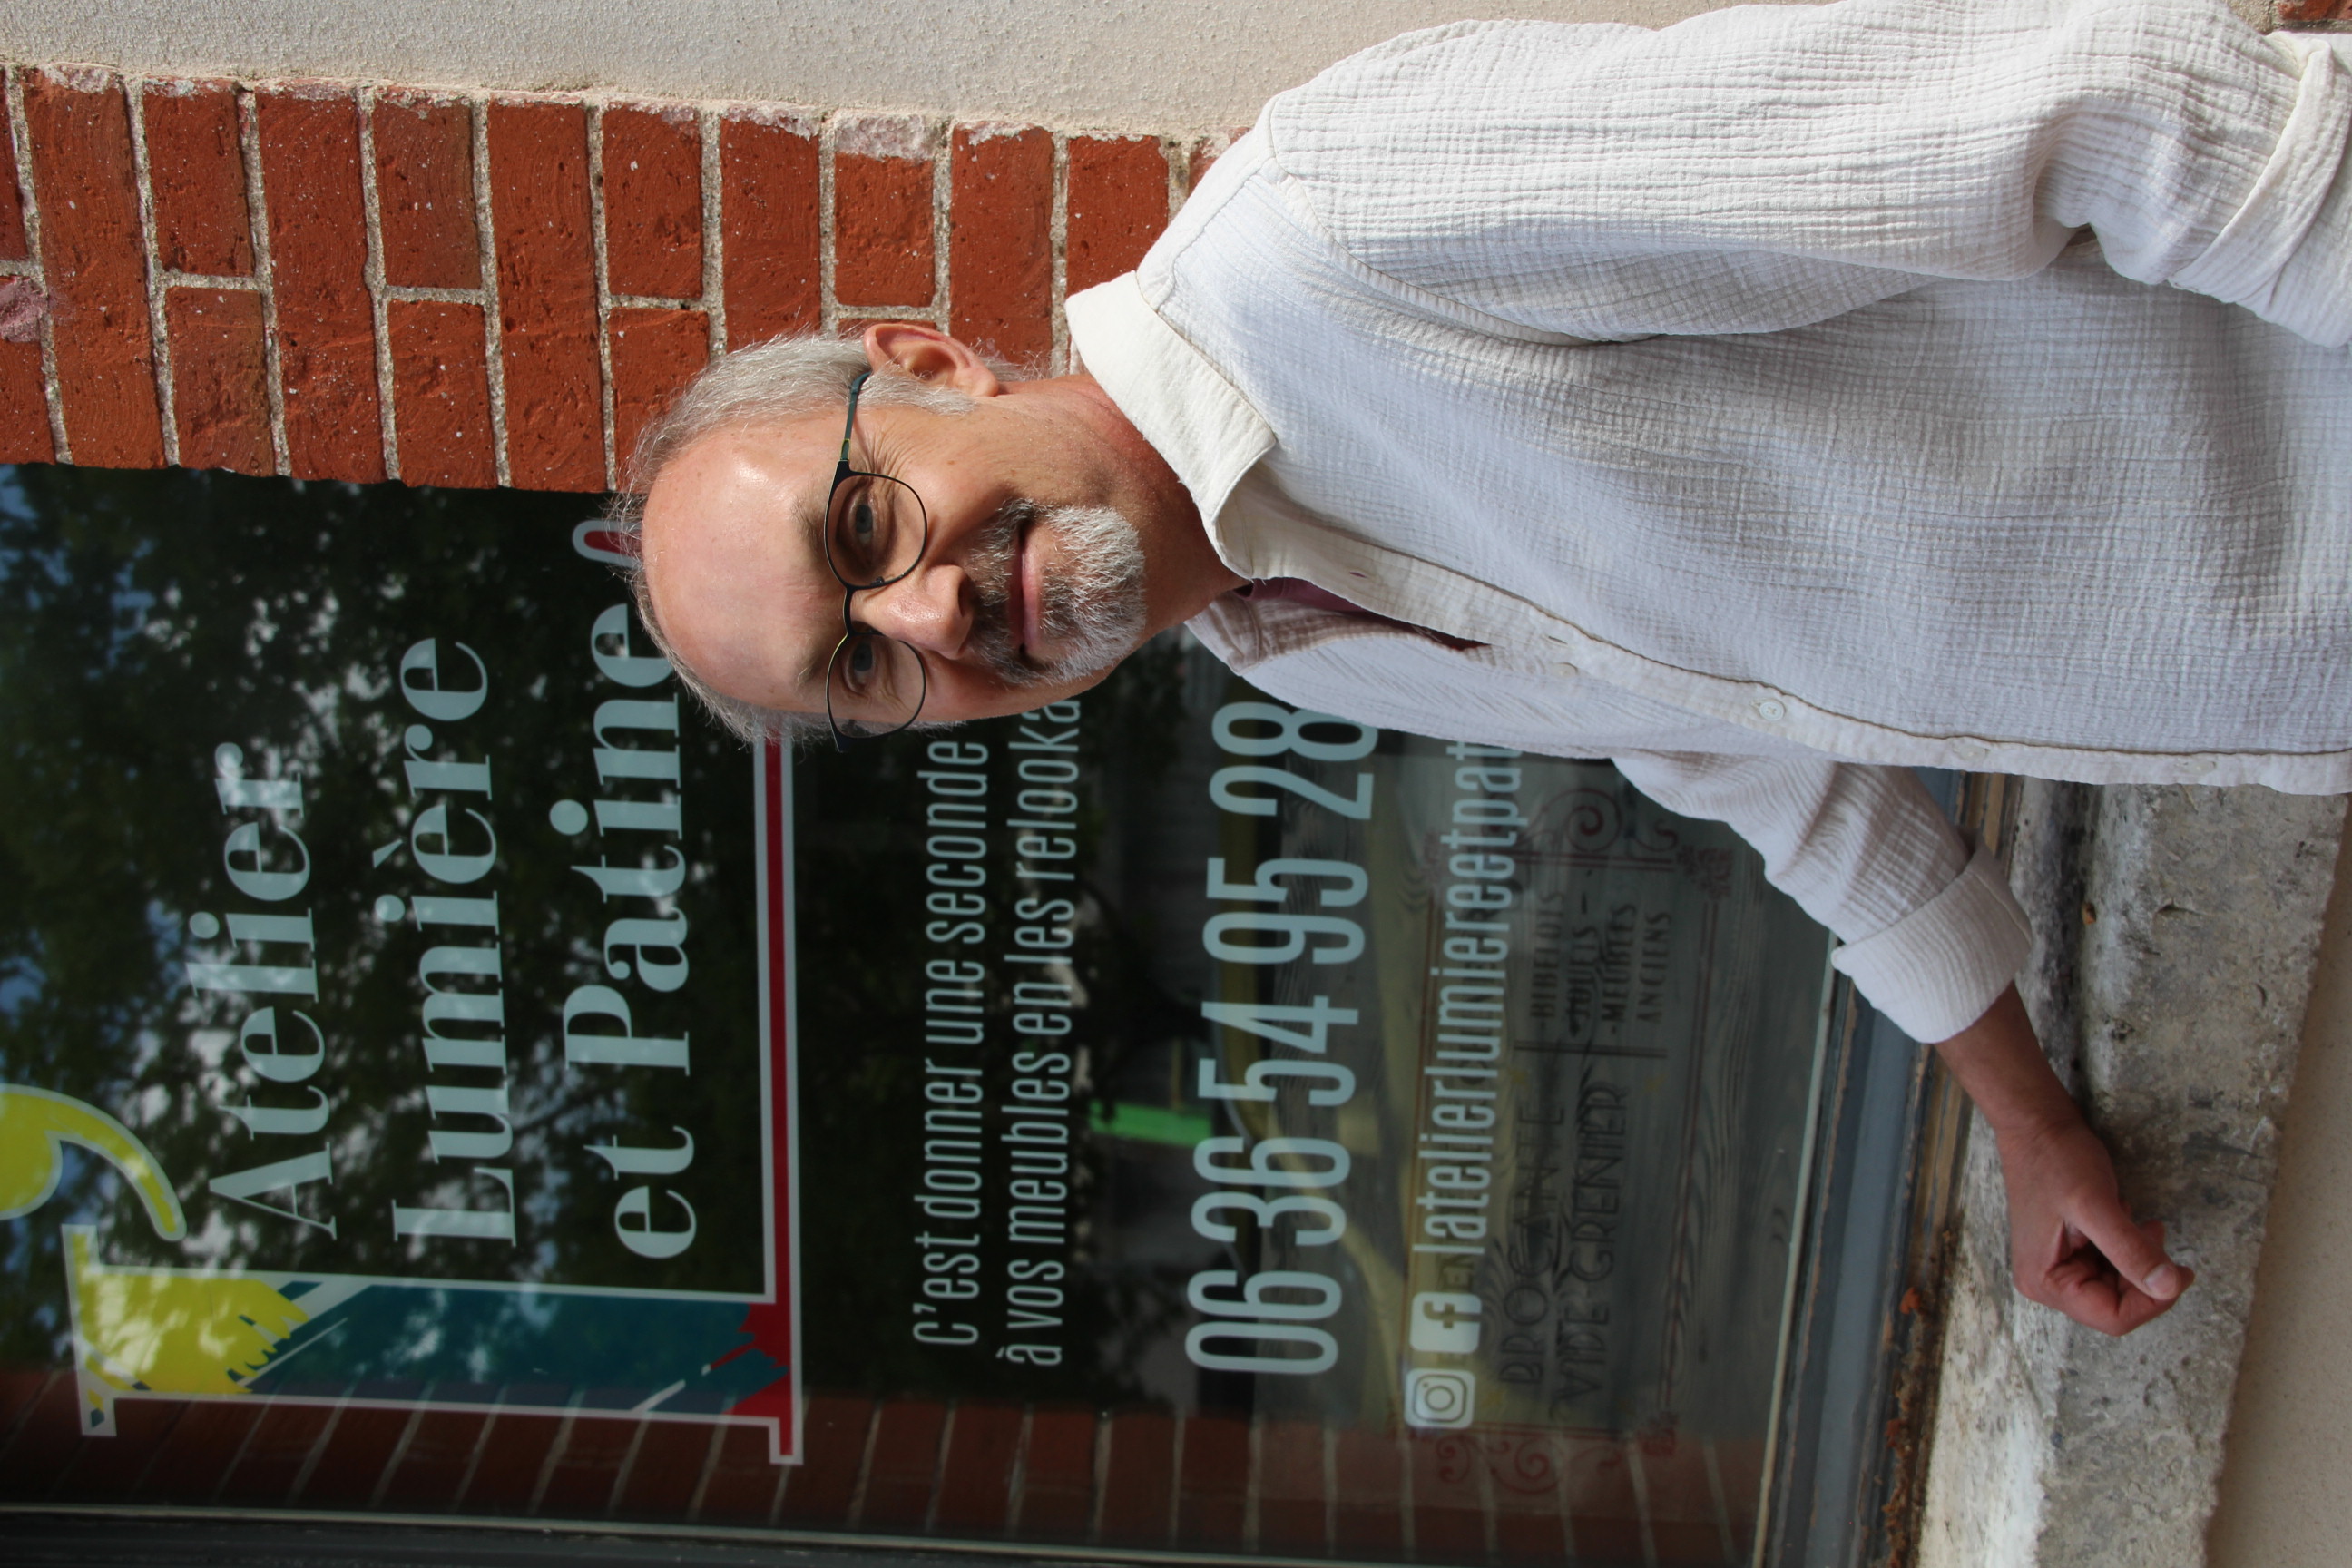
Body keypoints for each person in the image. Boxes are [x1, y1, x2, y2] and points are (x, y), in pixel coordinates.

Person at [622, 0, 2352, 1338]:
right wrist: (2028, 1117)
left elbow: (2078, 114)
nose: (923, 619)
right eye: (860, 669)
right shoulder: (1289, 647)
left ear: (927, 360)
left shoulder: (1327, 234)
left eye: (862, 532)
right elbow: (1759, 766)